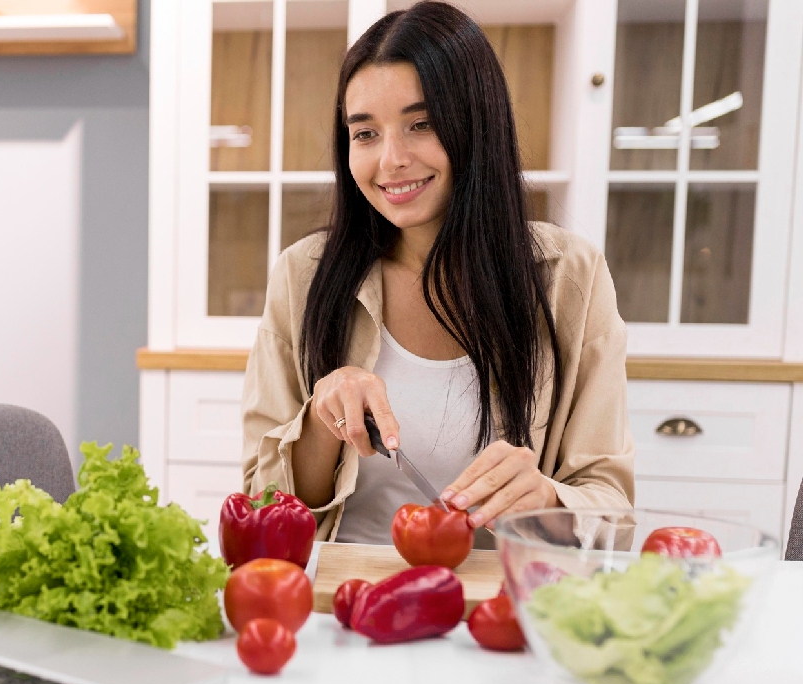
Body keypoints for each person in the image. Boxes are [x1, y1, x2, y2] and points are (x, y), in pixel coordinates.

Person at [240, 1, 634, 544]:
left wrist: (548, 499)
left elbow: (611, 511)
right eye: (365, 133)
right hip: (341, 600)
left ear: (478, 124)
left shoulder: (570, 277)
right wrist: (320, 420)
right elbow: (260, 507)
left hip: (493, 610)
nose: (391, 160)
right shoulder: (302, 276)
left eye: (420, 124)